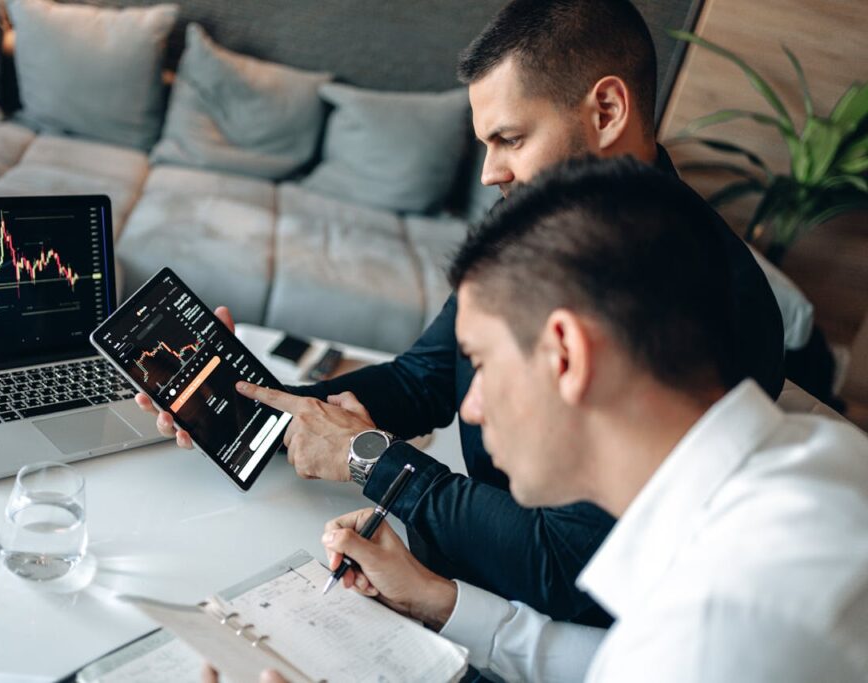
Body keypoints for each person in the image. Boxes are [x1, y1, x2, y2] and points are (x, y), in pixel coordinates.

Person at [139, 0, 785, 626]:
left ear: (608, 110)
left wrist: (376, 461)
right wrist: (249, 403)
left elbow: (572, 565)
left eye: (510, 138)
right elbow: (422, 378)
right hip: (453, 579)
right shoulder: (530, 219)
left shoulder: (717, 303)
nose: (489, 174)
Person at [321, 157, 868, 682]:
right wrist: (440, 600)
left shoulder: (715, 625)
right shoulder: (831, 454)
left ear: (567, 355)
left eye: (482, 364)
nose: (470, 406)